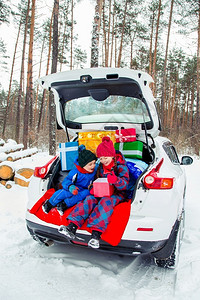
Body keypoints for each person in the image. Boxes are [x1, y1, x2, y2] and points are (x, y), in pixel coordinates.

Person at [58, 136, 129, 249]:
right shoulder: (100, 167)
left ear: (112, 155)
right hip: (101, 191)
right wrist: (92, 187)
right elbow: (95, 179)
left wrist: (115, 180)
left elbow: (124, 184)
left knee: (106, 202)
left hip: (117, 193)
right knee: (89, 199)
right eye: (100, 158)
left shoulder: (121, 166)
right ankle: (72, 227)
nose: (103, 160)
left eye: (105, 157)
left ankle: (95, 236)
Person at [42, 145, 97, 215]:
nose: (93, 166)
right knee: (64, 193)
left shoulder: (94, 170)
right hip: (72, 187)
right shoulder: (75, 172)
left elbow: (98, 165)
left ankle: (64, 205)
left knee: (85, 193)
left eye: (94, 163)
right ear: (83, 165)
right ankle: (49, 203)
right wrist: (70, 187)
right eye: (90, 164)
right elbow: (66, 181)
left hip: (83, 190)